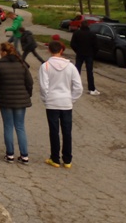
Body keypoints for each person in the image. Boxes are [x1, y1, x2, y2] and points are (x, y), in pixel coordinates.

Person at [40, 40, 83, 168]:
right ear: (61, 50)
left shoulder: (45, 66)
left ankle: (55, 158)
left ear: (49, 50)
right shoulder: (70, 67)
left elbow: (43, 87)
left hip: (52, 102)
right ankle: (67, 159)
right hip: (66, 102)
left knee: (54, 131)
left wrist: (46, 100)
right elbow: (78, 87)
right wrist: (71, 99)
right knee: (67, 131)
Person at [0, 42, 33, 164]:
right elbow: (29, 82)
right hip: (21, 99)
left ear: (3, 52)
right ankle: (24, 155)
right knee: (20, 126)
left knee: (8, 126)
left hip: (5, 100)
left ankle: (10, 154)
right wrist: (27, 95)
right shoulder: (22, 64)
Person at [70, 20, 100, 95]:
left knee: (77, 71)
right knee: (89, 71)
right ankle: (91, 89)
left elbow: (72, 44)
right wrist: (93, 54)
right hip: (89, 54)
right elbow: (96, 46)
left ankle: (75, 87)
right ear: (88, 26)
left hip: (80, 54)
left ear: (81, 25)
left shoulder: (76, 33)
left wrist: (77, 50)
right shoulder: (92, 34)